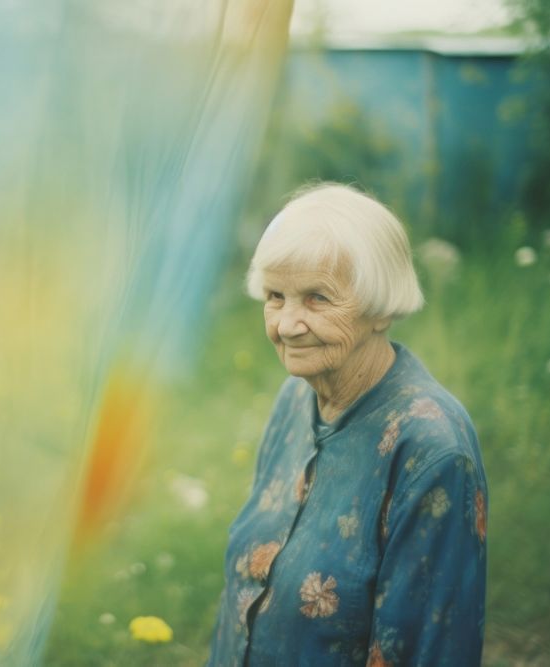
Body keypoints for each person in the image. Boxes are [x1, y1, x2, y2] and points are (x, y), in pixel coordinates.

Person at [207, 183, 487, 666]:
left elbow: (427, 651)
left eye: (317, 298)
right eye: (276, 296)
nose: (287, 324)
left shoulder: (431, 449)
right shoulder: (296, 397)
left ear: (380, 307)